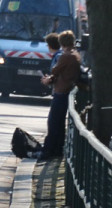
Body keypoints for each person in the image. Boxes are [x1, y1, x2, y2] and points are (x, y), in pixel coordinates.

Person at [34, 30, 81, 159]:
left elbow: (55, 70)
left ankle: (48, 150)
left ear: (61, 42)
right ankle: (57, 149)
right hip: (66, 90)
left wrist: (48, 79)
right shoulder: (75, 54)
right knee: (59, 123)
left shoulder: (66, 56)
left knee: (53, 122)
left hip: (61, 91)